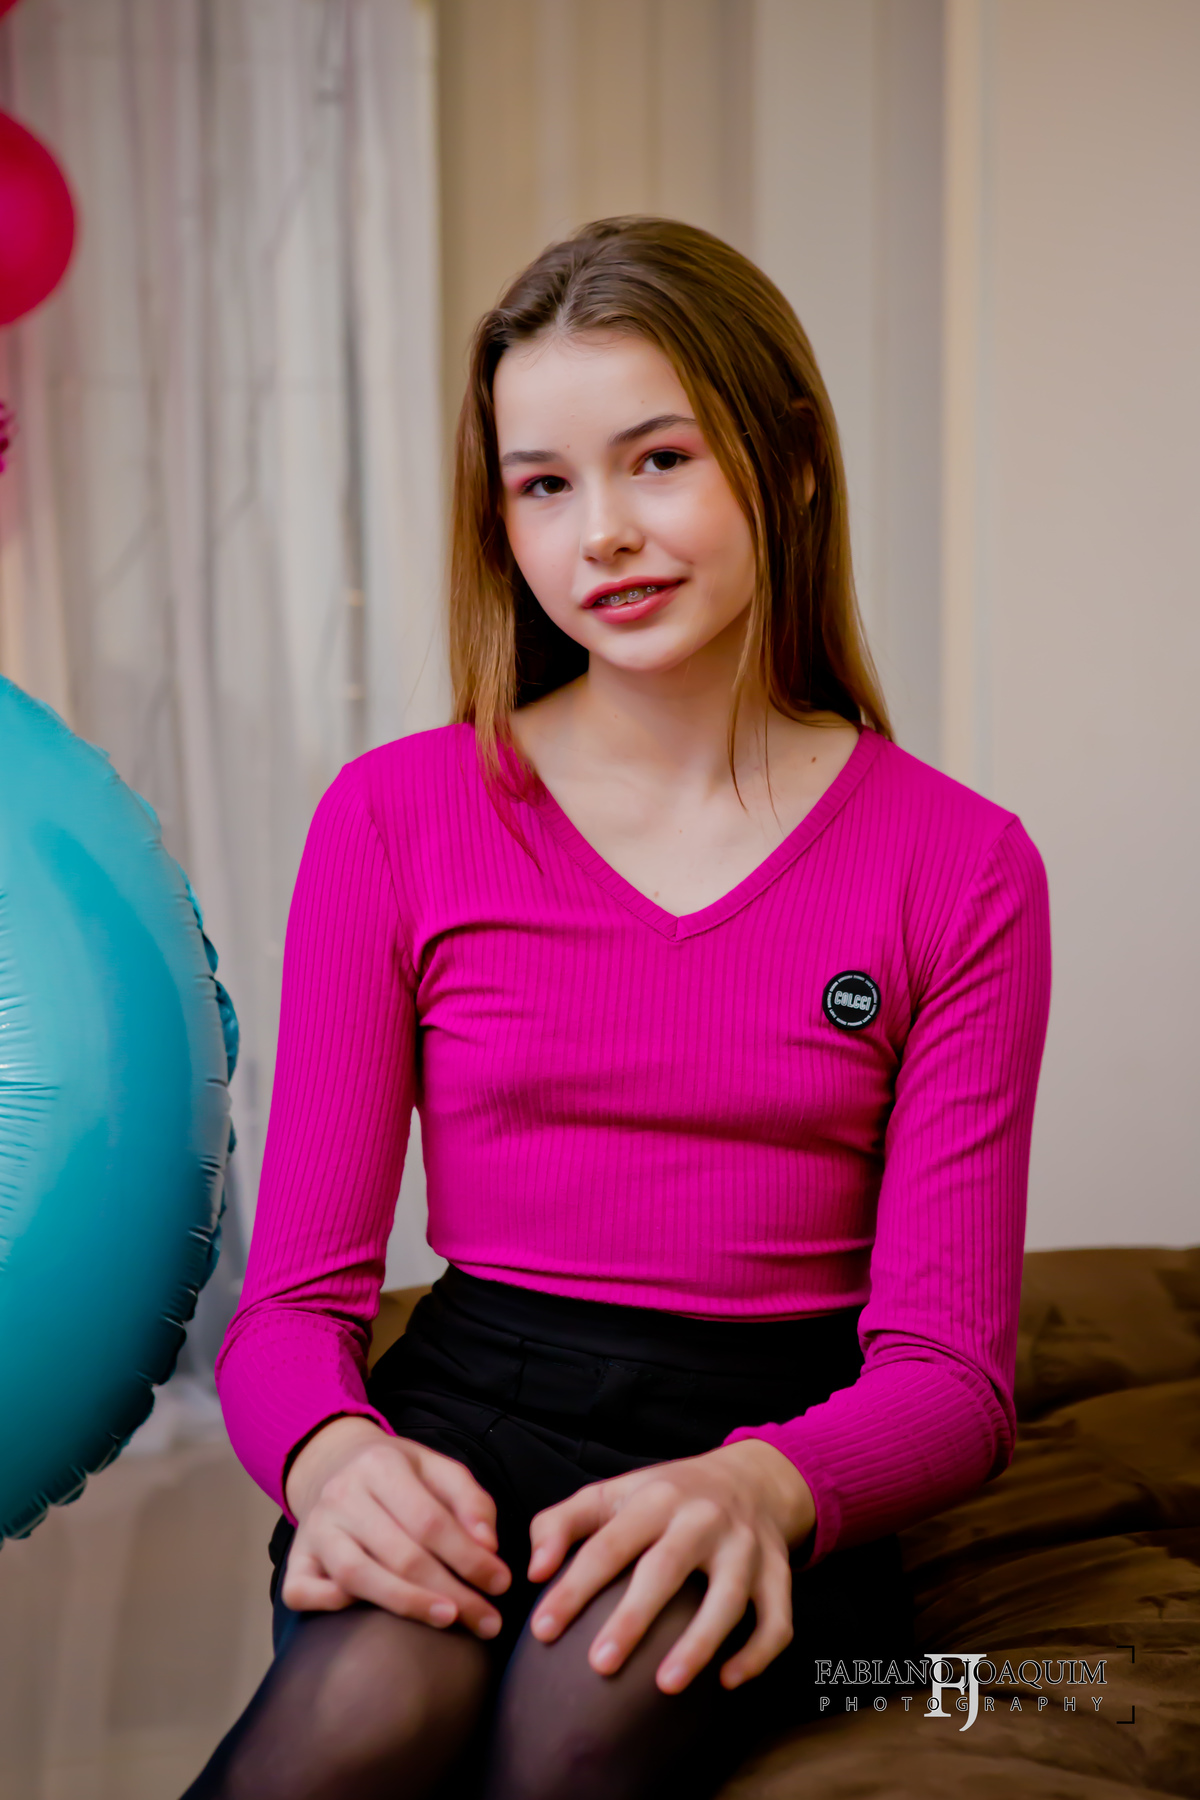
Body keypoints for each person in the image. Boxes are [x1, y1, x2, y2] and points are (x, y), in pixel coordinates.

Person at [182, 217, 1051, 1800]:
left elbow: (950, 1375)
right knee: (359, 1719)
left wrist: (767, 1487)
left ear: (790, 463)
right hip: (470, 1414)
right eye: (544, 486)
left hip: (771, 1450)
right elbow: (294, 1307)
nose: (604, 536)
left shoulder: (963, 866)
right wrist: (333, 1453)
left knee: (573, 1730)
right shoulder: (392, 820)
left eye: (659, 460)